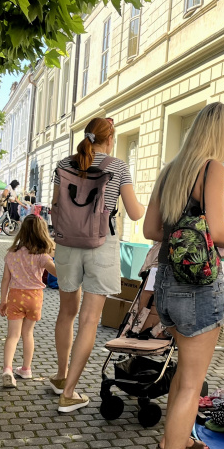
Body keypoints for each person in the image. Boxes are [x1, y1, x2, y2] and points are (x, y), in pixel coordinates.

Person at [143, 102, 224, 449]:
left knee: (184, 374)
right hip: (199, 287)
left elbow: (152, 227)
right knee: (191, 382)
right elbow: (220, 232)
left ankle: (177, 440)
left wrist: (184, 230)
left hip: (167, 280)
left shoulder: (170, 169)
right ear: (221, 134)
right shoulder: (212, 169)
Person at [52, 116, 145, 413]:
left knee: (66, 312)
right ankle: (69, 392)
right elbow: (134, 213)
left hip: (67, 244)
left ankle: (61, 375)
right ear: (110, 138)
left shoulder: (63, 164)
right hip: (100, 244)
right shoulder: (117, 166)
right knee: (89, 320)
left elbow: (55, 205)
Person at [0, 215, 56, 388]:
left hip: (15, 296)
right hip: (35, 297)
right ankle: (26, 368)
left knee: (12, 335)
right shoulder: (42, 256)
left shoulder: (12, 253)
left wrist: (3, 300)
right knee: (28, 334)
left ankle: (8, 369)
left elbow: (5, 280)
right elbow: (57, 273)